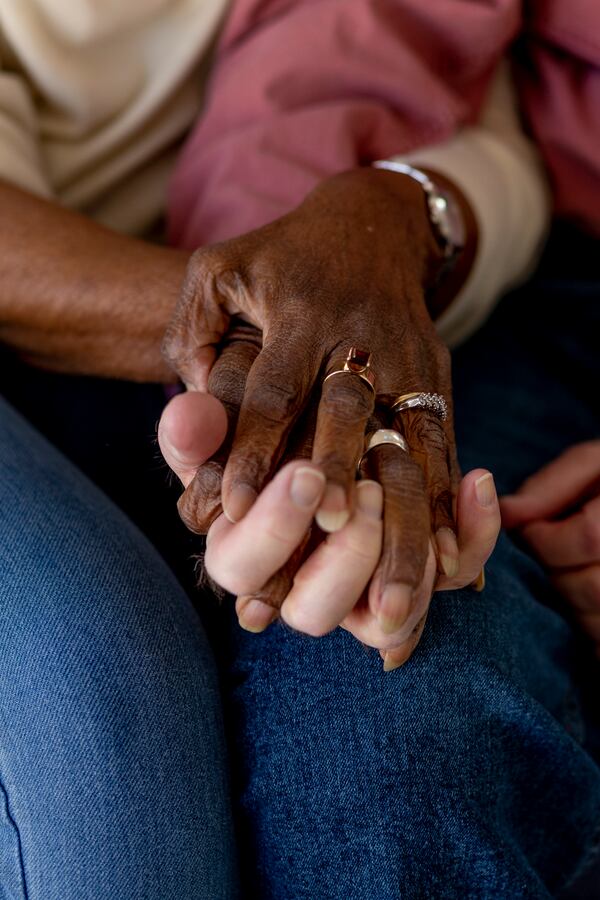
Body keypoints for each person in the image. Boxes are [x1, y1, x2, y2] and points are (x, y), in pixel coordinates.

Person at [0, 1, 598, 897]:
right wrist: (293, 338)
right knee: (118, 714)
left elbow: (465, 119)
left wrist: (390, 219)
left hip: (454, 271)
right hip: (125, 307)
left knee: (402, 690)